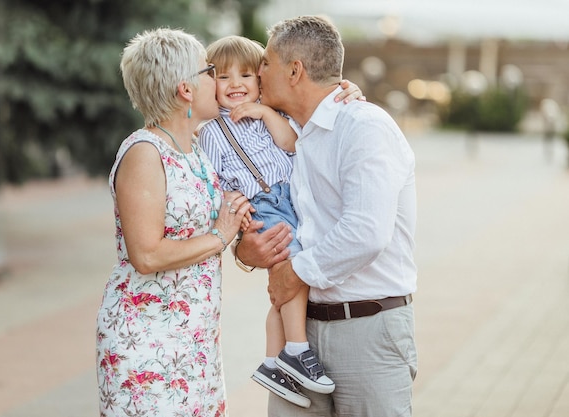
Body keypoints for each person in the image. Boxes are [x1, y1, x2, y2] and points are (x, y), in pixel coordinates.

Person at [234, 15, 418, 417]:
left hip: (367, 331)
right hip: (298, 333)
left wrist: (295, 271)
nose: (257, 74)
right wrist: (246, 250)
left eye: (266, 63)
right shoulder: (281, 134)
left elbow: (366, 232)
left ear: (295, 71)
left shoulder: (364, 127)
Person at [95, 28, 251, 417]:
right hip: (147, 342)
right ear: (186, 89)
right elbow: (146, 254)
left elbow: (263, 102)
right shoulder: (145, 153)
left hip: (195, 341)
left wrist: (340, 90)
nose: (217, 80)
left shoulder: (196, 147)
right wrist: (220, 235)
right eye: (210, 72)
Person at [198, 35, 347, 408]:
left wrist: (264, 113)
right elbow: (212, 179)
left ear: (260, 81)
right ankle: (296, 350)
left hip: (289, 198)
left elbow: (291, 145)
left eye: (246, 75)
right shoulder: (210, 129)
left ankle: (271, 361)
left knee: (286, 288)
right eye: (224, 77)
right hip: (262, 205)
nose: (236, 85)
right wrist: (234, 207)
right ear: (208, 84)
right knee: (291, 269)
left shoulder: (272, 112)